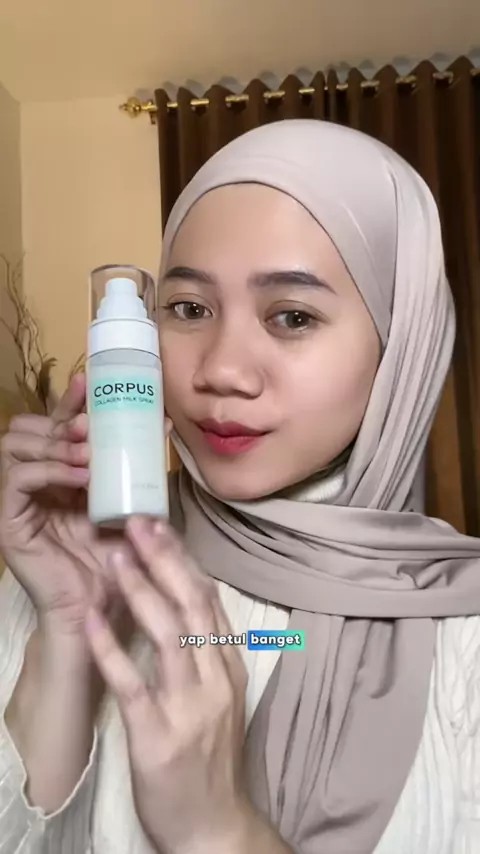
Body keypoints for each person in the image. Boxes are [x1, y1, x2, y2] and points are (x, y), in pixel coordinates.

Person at [1, 118, 480, 854]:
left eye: (292, 316)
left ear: (401, 342)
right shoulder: (67, 568)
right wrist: (66, 639)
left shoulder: (464, 639)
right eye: (190, 309)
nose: (222, 370)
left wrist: (217, 832)